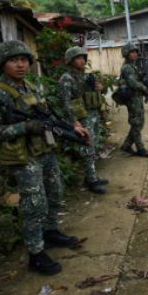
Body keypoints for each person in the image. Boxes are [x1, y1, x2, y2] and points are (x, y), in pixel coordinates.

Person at [0, 40, 90, 276]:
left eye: (24, 60)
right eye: (14, 60)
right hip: (23, 157)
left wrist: (74, 127)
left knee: (55, 192)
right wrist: (25, 127)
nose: (20, 65)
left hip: (44, 150)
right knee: (34, 205)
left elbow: (49, 115)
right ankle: (35, 253)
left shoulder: (29, 87)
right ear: (3, 64)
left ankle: (50, 232)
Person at [59, 46, 108, 194]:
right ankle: (91, 181)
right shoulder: (66, 78)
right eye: (77, 58)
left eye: (83, 58)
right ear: (70, 61)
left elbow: (99, 92)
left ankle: (91, 176)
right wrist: (74, 121)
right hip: (82, 118)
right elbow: (65, 102)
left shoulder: (87, 77)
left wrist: (101, 88)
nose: (81, 61)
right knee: (87, 147)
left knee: (93, 146)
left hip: (93, 115)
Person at [119, 42, 148, 158]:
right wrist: (144, 88)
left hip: (136, 98)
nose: (135, 54)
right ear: (126, 54)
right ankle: (140, 149)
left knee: (138, 123)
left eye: (135, 52)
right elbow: (133, 83)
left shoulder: (132, 66)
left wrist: (146, 88)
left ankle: (127, 145)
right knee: (137, 123)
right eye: (132, 52)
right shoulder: (127, 68)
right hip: (132, 99)